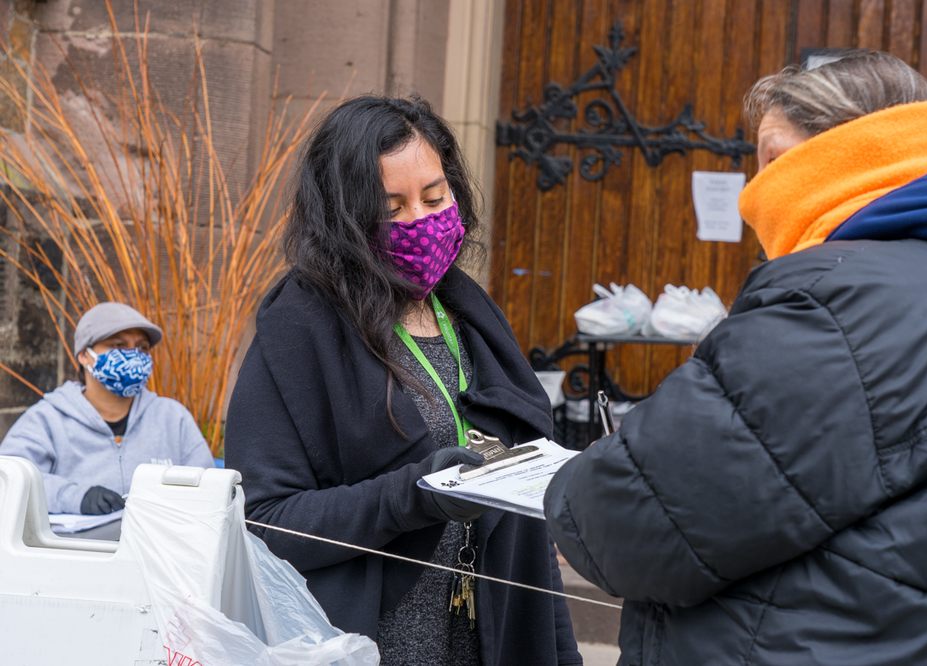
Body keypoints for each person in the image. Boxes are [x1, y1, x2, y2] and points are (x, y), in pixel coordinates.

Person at [544, 49, 927, 665]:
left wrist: (569, 486)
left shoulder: (829, 307)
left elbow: (629, 521)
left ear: (818, 161)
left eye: (771, 159)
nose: (758, 192)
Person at [224, 95, 581, 666]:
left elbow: (529, 543)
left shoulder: (473, 316)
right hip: (372, 647)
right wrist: (415, 495)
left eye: (435, 196)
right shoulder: (299, 327)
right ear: (344, 215)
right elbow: (264, 523)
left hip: (494, 638)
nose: (421, 219)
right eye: (392, 207)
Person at [1, 302, 214, 516]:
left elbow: (209, 489)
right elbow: (8, 481)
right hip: (73, 548)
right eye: (118, 346)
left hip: (159, 546)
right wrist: (76, 497)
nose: (133, 356)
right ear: (84, 356)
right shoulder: (46, 420)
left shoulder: (173, 418)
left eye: (141, 347)